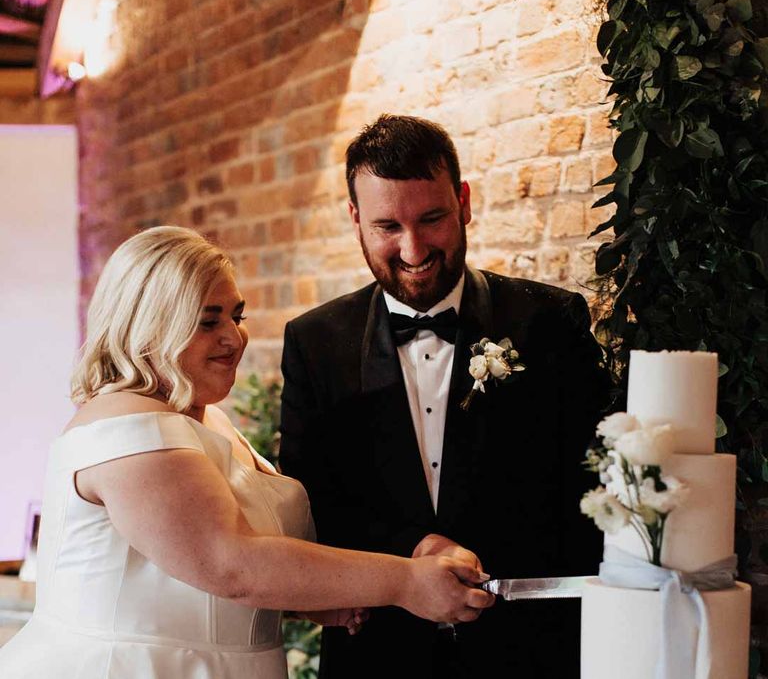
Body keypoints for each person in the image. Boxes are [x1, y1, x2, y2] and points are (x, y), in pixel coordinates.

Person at [0, 226, 493, 679]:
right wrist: (405, 582)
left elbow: (193, 572)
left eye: (236, 316)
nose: (233, 338)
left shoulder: (201, 418)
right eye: (206, 322)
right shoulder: (129, 425)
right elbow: (231, 565)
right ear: (149, 325)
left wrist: (312, 599)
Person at [279, 114, 612, 678]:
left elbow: (588, 490)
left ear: (463, 201)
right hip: (379, 655)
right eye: (388, 226)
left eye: (431, 218)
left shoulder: (550, 322)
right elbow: (313, 502)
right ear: (356, 219)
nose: (412, 250)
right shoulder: (314, 342)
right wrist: (413, 548)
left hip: (528, 651)